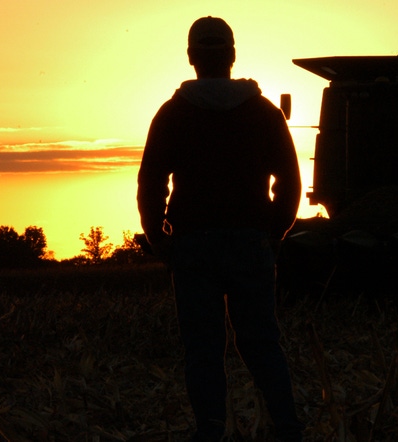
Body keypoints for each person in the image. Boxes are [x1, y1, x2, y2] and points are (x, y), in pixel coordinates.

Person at [136, 16, 304, 442]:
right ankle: (285, 427)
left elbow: (151, 182)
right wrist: (275, 232)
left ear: (192, 57)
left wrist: (159, 239)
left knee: (203, 349)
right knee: (262, 342)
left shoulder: (173, 114)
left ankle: (210, 431)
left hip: (193, 246)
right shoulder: (264, 113)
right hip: (250, 243)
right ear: (231, 55)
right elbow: (290, 180)